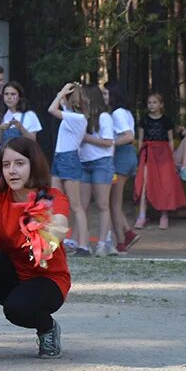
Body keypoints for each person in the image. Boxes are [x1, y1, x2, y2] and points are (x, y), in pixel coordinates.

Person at [0, 137, 70, 364]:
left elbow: (60, 225)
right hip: (12, 276)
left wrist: (47, 230)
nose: (12, 171)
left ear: (34, 164)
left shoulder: (51, 196)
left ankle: (48, 328)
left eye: (19, 163)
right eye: (6, 165)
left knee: (16, 309)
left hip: (48, 280)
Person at [134, 92, 185, 228]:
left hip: (163, 154)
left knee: (165, 183)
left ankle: (164, 214)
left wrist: (171, 156)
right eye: (149, 102)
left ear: (161, 105)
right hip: (148, 153)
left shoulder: (166, 120)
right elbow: (140, 139)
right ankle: (142, 215)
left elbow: (170, 140)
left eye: (154, 102)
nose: (151, 105)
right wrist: (140, 155)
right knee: (145, 183)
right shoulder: (144, 120)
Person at [77, 85, 117, 255]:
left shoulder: (104, 117)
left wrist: (86, 137)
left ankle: (102, 244)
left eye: (82, 97)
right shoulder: (80, 117)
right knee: (83, 205)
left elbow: (108, 142)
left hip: (102, 162)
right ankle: (83, 244)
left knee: (102, 204)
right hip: (84, 163)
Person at [105, 81, 140, 251]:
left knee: (114, 204)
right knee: (114, 202)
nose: (103, 97)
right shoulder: (125, 112)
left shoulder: (118, 113)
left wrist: (110, 143)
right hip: (128, 157)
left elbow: (128, 136)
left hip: (122, 156)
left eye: (106, 94)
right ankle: (127, 233)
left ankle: (120, 242)